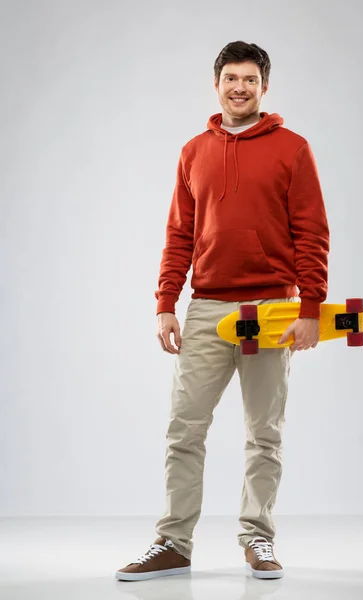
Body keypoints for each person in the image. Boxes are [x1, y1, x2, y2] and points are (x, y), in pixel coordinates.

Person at [115, 40, 330, 582]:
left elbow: (312, 232)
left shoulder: (293, 148)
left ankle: (258, 537)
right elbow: (179, 233)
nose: (240, 88)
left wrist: (310, 306)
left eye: (250, 80)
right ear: (217, 85)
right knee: (183, 430)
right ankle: (173, 542)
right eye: (231, 78)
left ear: (264, 87)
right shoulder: (193, 151)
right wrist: (166, 302)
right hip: (208, 307)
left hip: (272, 310)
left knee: (265, 432)